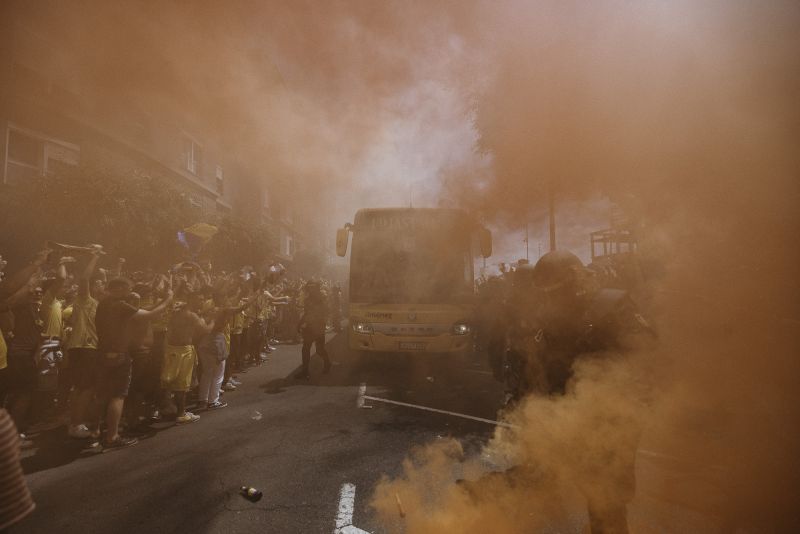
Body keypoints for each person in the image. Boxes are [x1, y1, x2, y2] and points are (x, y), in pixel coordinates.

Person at [476, 250, 655, 534]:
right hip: (564, 414)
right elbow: (537, 368)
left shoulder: (611, 307)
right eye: (546, 294)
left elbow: (644, 356)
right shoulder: (548, 318)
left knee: (605, 497)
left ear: (577, 280)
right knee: (539, 475)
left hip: (609, 417)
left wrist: (611, 388)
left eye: (558, 292)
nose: (552, 300)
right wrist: (524, 402)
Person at [95, 277, 172, 449]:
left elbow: (140, 311)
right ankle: (112, 437)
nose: (130, 292)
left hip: (102, 353)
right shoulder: (119, 305)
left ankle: (96, 432)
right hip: (118, 353)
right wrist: (168, 298)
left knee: (104, 395)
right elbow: (150, 315)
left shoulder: (103, 304)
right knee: (118, 395)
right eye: (127, 288)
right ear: (119, 288)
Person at [64, 248, 102, 439]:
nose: (101, 285)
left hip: (87, 348)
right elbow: (84, 279)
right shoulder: (85, 299)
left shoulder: (99, 303)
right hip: (84, 347)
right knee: (86, 387)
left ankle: (76, 422)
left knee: (81, 388)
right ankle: (76, 424)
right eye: (98, 283)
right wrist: (94, 258)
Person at [161, 292, 212, 424]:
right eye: (199, 299)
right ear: (190, 300)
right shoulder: (191, 315)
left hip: (171, 349)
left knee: (171, 381)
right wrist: (213, 320)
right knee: (182, 385)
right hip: (183, 351)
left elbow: (170, 331)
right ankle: (181, 414)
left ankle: (169, 407)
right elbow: (205, 330)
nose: (201, 302)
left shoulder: (177, 312)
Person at [295, 281, 331, 379]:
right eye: (309, 288)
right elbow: (306, 313)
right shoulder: (308, 300)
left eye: (312, 288)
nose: (310, 289)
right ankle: (305, 371)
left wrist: (321, 323)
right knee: (305, 349)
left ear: (316, 288)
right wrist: (300, 323)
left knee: (319, 350)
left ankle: (327, 363)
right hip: (309, 328)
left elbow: (325, 312)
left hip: (319, 327)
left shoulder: (322, 299)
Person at [197, 310, 229, 410]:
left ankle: (203, 400)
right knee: (218, 375)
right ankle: (213, 401)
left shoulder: (203, 315)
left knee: (206, 374)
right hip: (215, 344)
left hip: (203, 344)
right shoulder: (219, 314)